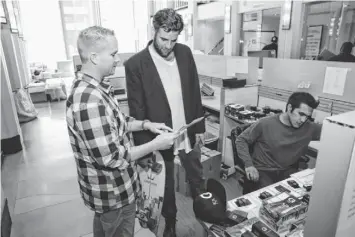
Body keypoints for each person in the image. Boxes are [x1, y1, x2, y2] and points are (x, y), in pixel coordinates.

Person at [66, 26, 178, 237]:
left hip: (114, 192)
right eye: (113, 54)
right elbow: (112, 158)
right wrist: (157, 144)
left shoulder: (97, 89)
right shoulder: (90, 100)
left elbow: (118, 122)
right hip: (113, 194)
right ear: (94, 57)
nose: (117, 59)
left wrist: (146, 125)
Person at [125, 8, 206, 237]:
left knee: (196, 176)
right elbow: (137, 110)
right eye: (164, 38)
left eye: (173, 39)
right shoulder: (136, 64)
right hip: (160, 136)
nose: (168, 45)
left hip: (187, 129)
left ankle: (206, 215)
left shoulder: (185, 53)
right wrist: (146, 151)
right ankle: (170, 222)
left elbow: (194, 91)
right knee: (167, 185)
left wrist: (199, 127)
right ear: (154, 30)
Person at [236, 92, 322, 194]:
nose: (303, 120)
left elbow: (336, 131)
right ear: (290, 108)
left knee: (303, 196)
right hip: (264, 171)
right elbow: (241, 140)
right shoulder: (265, 123)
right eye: (301, 114)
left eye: (307, 116)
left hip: (288, 171)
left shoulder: (309, 128)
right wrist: (249, 165)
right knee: (269, 200)